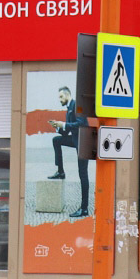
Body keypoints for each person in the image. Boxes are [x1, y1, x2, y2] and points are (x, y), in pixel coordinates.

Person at [46, 85, 90, 218]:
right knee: (57, 140)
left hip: (84, 143)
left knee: (83, 175)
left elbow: (81, 124)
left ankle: (84, 209)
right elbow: (66, 131)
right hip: (76, 139)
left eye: (61, 97)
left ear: (67, 95)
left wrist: (63, 124)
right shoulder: (69, 109)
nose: (59, 100)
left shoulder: (77, 105)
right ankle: (60, 171)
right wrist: (57, 127)